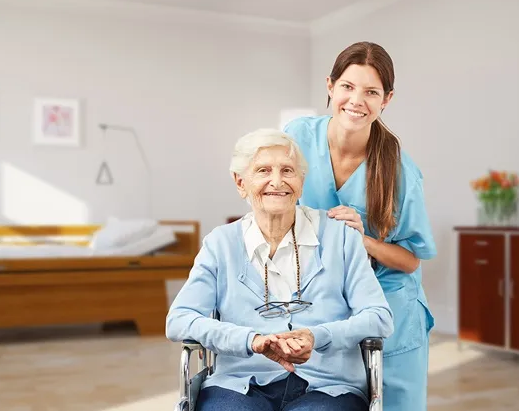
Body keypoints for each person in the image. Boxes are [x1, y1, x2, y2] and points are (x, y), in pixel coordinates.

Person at [166, 128, 393, 411]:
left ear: (301, 181)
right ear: (240, 183)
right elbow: (178, 319)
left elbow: (379, 316)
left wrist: (318, 336)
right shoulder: (220, 244)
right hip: (240, 383)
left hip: (328, 386)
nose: (277, 181)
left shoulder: (341, 237)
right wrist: (250, 340)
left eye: (288, 170)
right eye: (263, 170)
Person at [283, 41, 437, 411]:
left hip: (390, 306)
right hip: (327, 301)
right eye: (348, 87)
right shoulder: (298, 137)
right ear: (330, 86)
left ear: (387, 99)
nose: (357, 100)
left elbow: (411, 260)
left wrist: (362, 239)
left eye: (371, 92)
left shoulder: (398, 170)